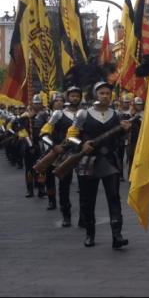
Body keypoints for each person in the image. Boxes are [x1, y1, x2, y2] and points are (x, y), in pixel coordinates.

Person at [66, 81, 132, 248]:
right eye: (102, 93)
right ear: (96, 94)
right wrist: (82, 145)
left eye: (108, 94)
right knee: (88, 199)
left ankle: (117, 234)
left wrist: (126, 130)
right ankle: (90, 233)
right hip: (88, 161)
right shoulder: (83, 113)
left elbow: (121, 140)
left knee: (114, 197)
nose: (105, 96)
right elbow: (71, 136)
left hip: (109, 160)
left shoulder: (116, 114)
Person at [41, 87, 83, 228]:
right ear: (68, 97)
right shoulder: (58, 114)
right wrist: (54, 146)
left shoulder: (86, 114)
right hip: (64, 153)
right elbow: (44, 134)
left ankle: (84, 215)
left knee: (85, 186)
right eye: (72, 95)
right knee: (64, 185)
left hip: (83, 153)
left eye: (77, 96)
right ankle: (66, 213)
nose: (75, 98)